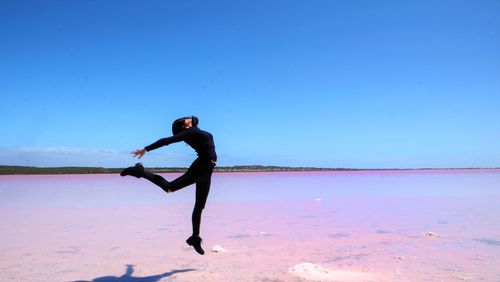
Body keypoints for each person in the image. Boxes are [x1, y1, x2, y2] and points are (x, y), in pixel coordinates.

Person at [120, 116, 217, 255]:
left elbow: (196, 119)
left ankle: (195, 237)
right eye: (186, 119)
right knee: (169, 187)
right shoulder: (190, 133)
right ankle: (140, 171)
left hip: (207, 170)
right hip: (202, 166)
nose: (188, 117)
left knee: (199, 206)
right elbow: (166, 141)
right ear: (184, 126)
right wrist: (146, 149)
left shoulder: (194, 130)